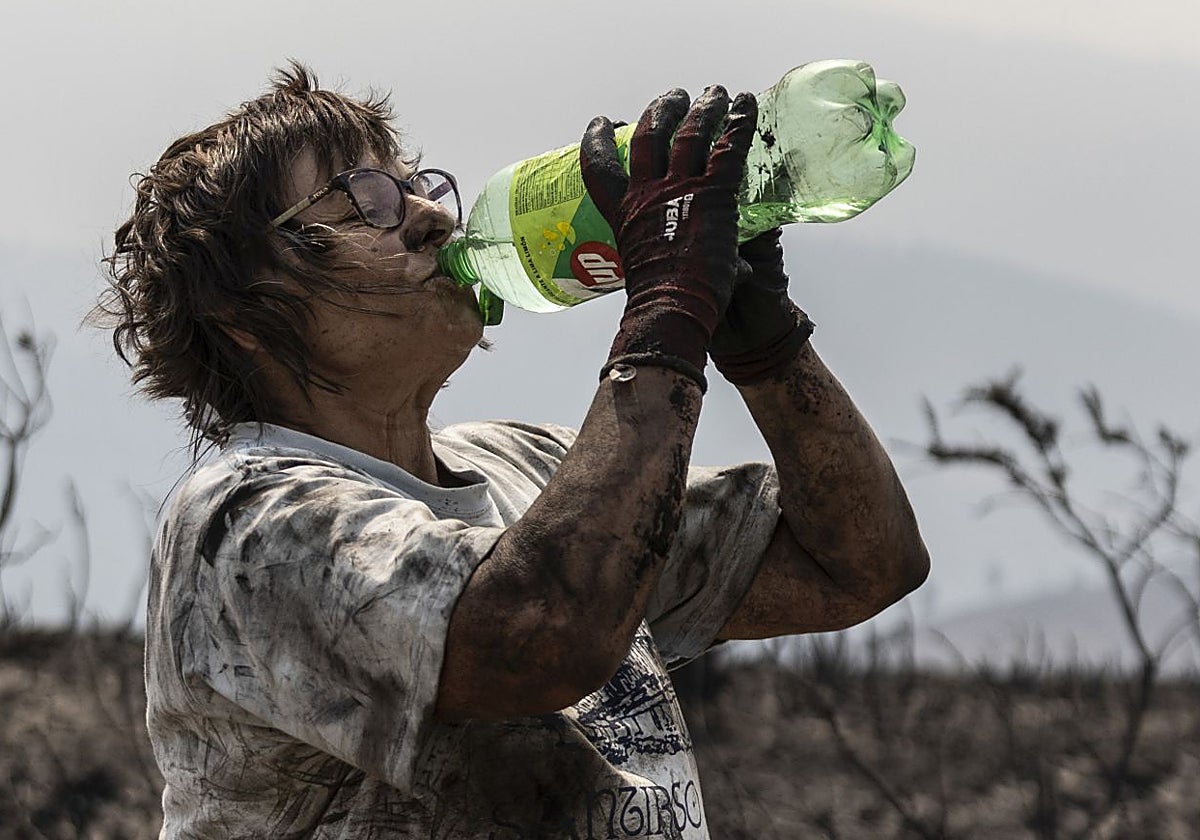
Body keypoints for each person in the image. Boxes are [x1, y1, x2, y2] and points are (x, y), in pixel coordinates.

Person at [100, 63, 929, 839]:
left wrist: (764, 342)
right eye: (365, 201)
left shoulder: (521, 466)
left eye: (417, 185)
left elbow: (859, 564)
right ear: (243, 310)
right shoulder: (244, 525)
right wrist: (668, 309)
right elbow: (541, 632)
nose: (431, 216)